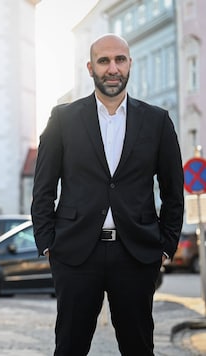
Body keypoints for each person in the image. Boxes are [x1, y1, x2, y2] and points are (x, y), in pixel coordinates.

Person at [31, 34, 184, 355]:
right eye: (104, 61)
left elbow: (173, 190)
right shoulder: (63, 119)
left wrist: (165, 246)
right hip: (75, 254)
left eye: (119, 60)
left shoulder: (157, 121)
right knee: (70, 347)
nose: (112, 68)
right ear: (90, 68)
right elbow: (43, 188)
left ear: (129, 64)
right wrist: (48, 245)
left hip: (136, 253)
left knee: (138, 347)